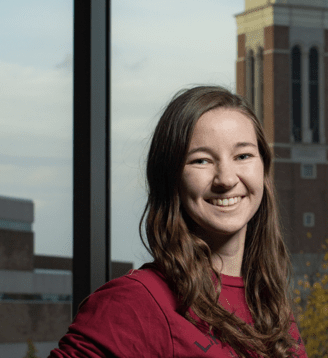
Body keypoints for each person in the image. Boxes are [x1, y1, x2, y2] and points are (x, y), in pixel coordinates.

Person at [49, 86, 308, 358]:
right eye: (201, 160)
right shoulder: (134, 303)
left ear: (264, 170)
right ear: (171, 177)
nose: (226, 179)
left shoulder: (269, 304)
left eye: (243, 156)